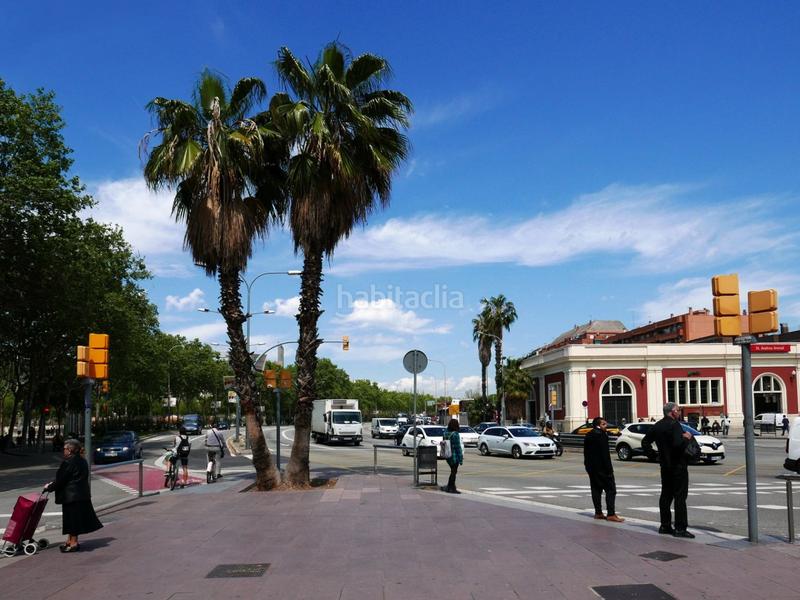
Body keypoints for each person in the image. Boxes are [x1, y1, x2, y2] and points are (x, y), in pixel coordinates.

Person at [642, 402, 694, 538]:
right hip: (678, 466)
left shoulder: (657, 425)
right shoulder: (674, 425)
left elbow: (645, 442)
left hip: (665, 466)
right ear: (672, 412)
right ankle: (680, 528)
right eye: (678, 410)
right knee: (680, 497)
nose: (679, 412)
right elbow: (678, 444)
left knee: (666, 496)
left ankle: (665, 525)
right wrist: (687, 438)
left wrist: (654, 456)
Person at [44, 439, 102, 552]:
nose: (63, 451)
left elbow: (62, 480)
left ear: (70, 450)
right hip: (80, 494)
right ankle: (69, 541)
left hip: (71, 496)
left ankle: (73, 543)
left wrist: (49, 487)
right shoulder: (82, 460)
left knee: (72, 520)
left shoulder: (68, 462)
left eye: (64, 449)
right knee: (73, 520)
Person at [583, 417, 624, 522]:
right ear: (598, 425)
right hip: (603, 469)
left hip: (592, 468)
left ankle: (598, 512)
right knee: (611, 490)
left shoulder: (589, 435)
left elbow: (586, 453)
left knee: (596, 490)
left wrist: (587, 467)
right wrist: (609, 470)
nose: (606, 426)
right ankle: (611, 514)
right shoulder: (601, 435)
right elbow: (605, 454)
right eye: (604, 424)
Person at [440, 418, 463, 494]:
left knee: (453, 471)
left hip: (447, 455)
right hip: (454, 456)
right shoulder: (455, 434)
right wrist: (460, 459)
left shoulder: (445, 433)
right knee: (454, 472)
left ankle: (450, 487)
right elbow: (458, 447)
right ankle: (451, 488)